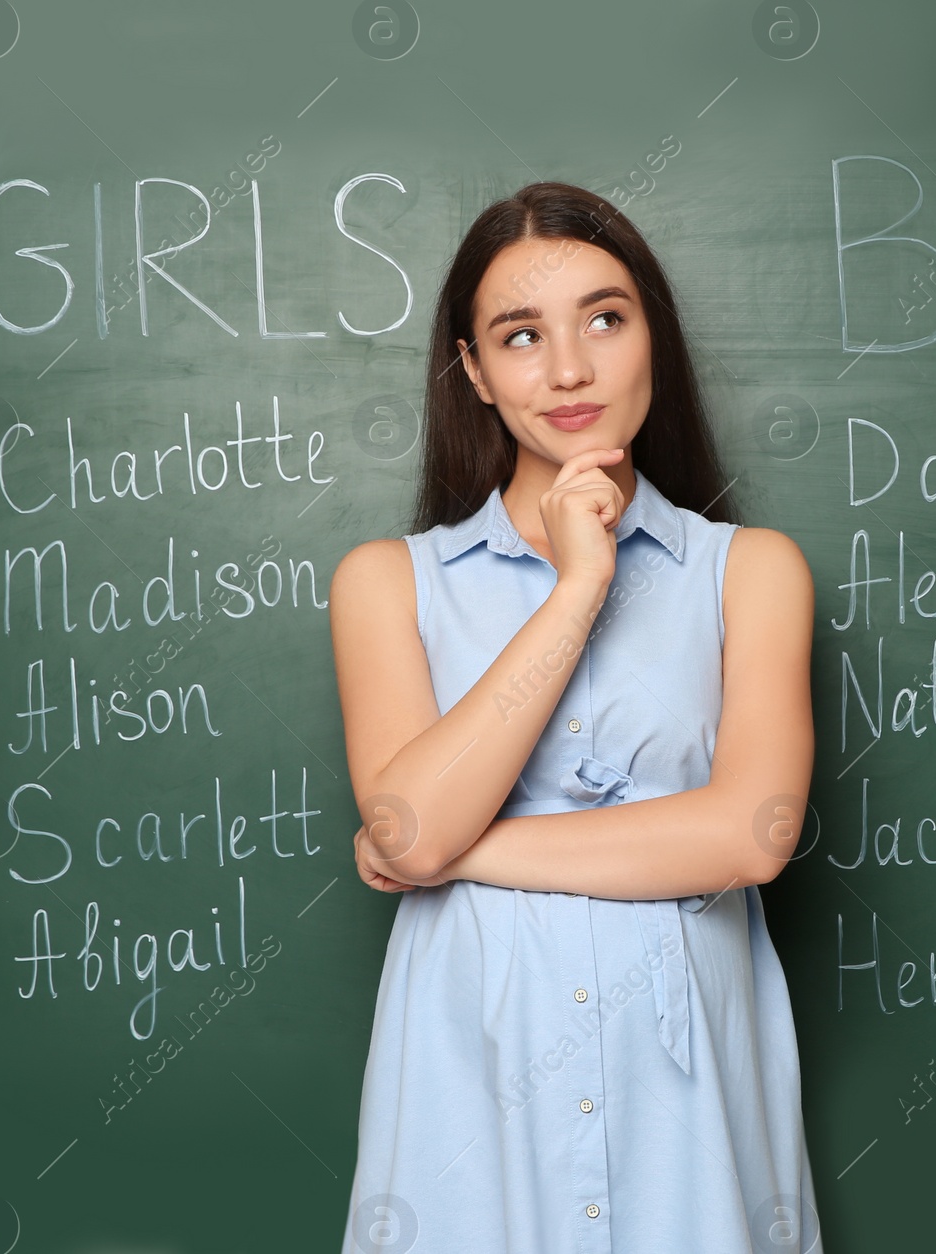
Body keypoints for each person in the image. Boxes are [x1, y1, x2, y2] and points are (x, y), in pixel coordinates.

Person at [331, 181, 818, 1252]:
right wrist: (575, 590)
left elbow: (752, 834)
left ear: (654, 333)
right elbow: (412, 830)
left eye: (605, 318)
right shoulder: (386, 584)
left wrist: (457, 849)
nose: (568, 370)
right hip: (468, 1080)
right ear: (473, 370)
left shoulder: (752, 573)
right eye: (520, 336)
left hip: (686, 1094)